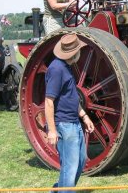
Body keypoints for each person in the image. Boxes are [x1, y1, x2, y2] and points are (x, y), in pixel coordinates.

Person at [45, 33, 94, 192]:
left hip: (74, 122)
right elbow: (48, 101)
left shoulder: (66, 67)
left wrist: (84, 116)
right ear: (74, 53)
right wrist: (52, 130)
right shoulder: (56, 69)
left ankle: (59, 189)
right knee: (70, 165)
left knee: (80, 161)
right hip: (64, 125)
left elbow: (71, 96)